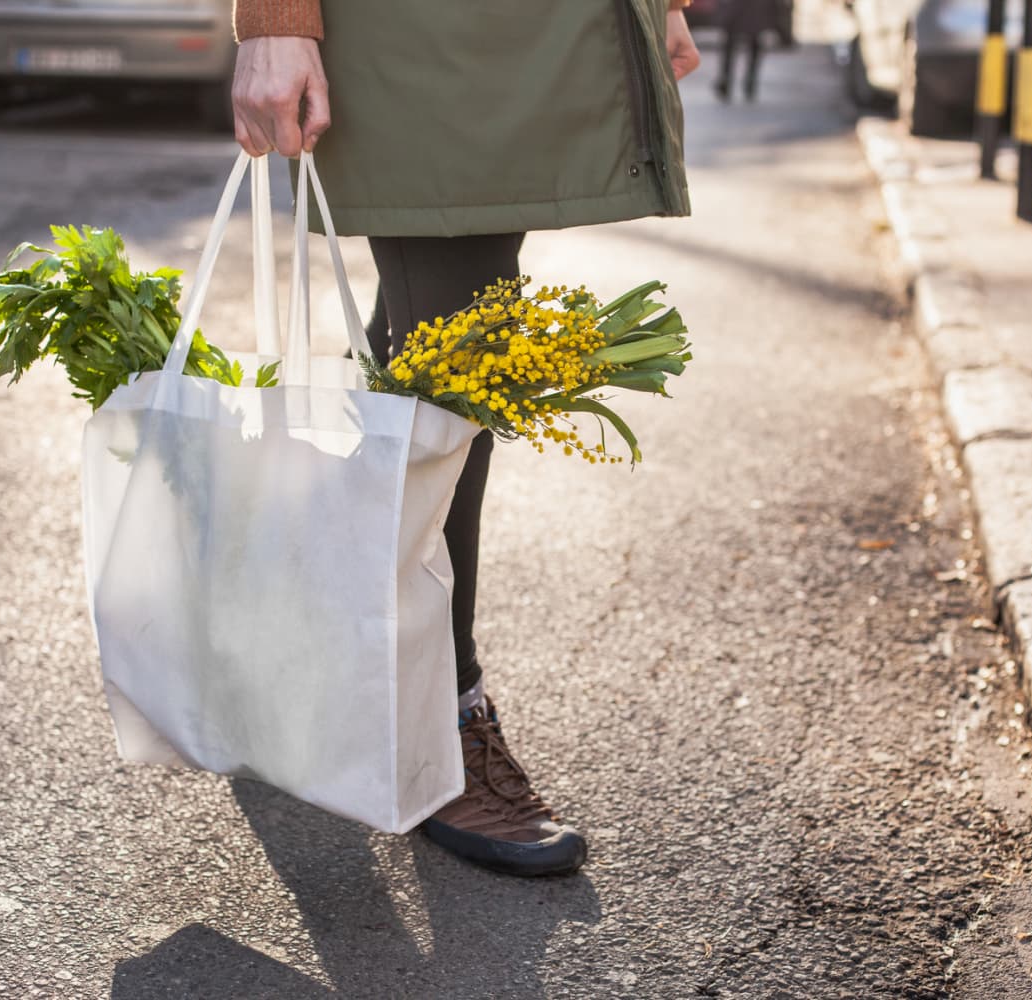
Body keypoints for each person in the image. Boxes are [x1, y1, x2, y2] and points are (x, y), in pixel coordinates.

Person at [230, 0, 698, 877]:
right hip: (416, 30)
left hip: (534, 27)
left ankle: (307, 650)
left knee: (427, 346)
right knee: (455, 341)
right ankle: (436, 721)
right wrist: (272, 19)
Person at [714, 0, 778, 103]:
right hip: (750, 10)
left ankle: (729, 81)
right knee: (749, 44)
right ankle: (747, 82)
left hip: (740, 9)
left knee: (733, 45)